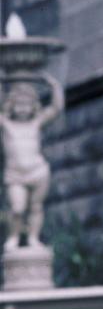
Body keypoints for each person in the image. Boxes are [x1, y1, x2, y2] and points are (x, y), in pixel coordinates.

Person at [0, 73, 64, 250]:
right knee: (17, 208)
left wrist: (54, 86)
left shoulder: (36, 123)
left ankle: (33, 238)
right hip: (15, 174)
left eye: (26, 105)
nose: (22, 109)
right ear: (11, 106)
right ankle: (13, 236)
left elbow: (56, 108)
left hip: (38, 171)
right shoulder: (6, 124)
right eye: (18, 105)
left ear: (33, 107)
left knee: (36, 207)